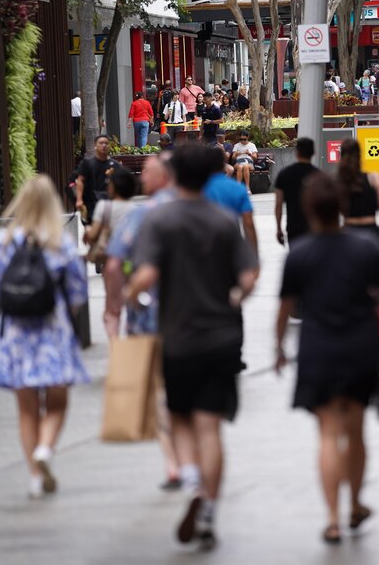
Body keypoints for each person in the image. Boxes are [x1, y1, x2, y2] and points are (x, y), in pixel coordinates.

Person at [126, 144, 258, 551]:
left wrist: (132, 296)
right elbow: (249, 274)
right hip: (221, 337)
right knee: (210, 426)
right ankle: (210, 509)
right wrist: (234, 297)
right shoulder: (222, 220)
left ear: (176, 176)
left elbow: (145, 274)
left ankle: (191, 480)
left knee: (178, 417)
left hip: (178, 337)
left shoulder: (160, 220)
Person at [275, 172, 379, 544]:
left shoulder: (300, 254)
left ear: (309, 209)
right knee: (356, 432)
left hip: (318, 349)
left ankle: (331, 519)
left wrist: (278, 348)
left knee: (327, 434)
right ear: (341, 206)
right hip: (361, 347)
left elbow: (285, 309)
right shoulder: (365, 248)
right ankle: (356, 503)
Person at [0, 175, 89, 500]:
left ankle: (36, 478)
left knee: (26, 409)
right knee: (57, 402)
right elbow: (78, 292)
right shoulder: (61, 242)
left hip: (14, 332)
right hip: (53, 331)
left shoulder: (4, 241)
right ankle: (46, 450)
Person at [104, 155, 196, 493]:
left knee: (160, 391)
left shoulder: (142, 214)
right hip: (200, 318)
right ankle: (197, 458)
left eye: (147, 171)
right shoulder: (204, 211)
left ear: (161, 177)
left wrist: (116, 304)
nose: (142, 177)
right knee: (193, 389)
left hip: (152, 316)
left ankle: (174, 464)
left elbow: (114, 265)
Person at [84, 166, 141, 335]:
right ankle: (133, 337)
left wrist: (87, 232)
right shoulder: (136, 210)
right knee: (133, 299)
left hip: (111, 262)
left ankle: (115, 343)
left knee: (112, 307)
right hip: (130, 262)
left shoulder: (104, 207)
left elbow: (93, 234)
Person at [202, 147, 259, 258]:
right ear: (223, 162)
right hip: (231, 242)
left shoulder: (199, 188)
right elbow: (248, 222)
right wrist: (254, 256)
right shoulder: (238, 189)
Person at [274, 137, 318, 246]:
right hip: (314, 227)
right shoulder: (318, 175)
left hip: (293, 226)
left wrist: (279, 228)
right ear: (313, 153)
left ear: (297, 153)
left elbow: (278, 204)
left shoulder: (284, 174)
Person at [75, 135, 118, 225]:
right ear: (95, 145)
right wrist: (79, 200)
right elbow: (80, 181)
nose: (104, 145)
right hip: (91, 201)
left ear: (109, 146)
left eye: (106, 143)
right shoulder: (87, 163)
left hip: (108, 202)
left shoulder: (114, 164)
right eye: (101, 143)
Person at [231, 130, 258, 195]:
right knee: (240, 166)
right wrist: (237, 154)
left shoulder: (252, 145)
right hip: (239, 162)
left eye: (244, 139)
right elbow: (233, 158)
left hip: (249, 162)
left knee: (245, 166)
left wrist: (250, 154)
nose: (243, 141)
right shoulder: (237, 145)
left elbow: (255, 158)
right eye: (241, 139)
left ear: (247, 137)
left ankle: (247, 188)